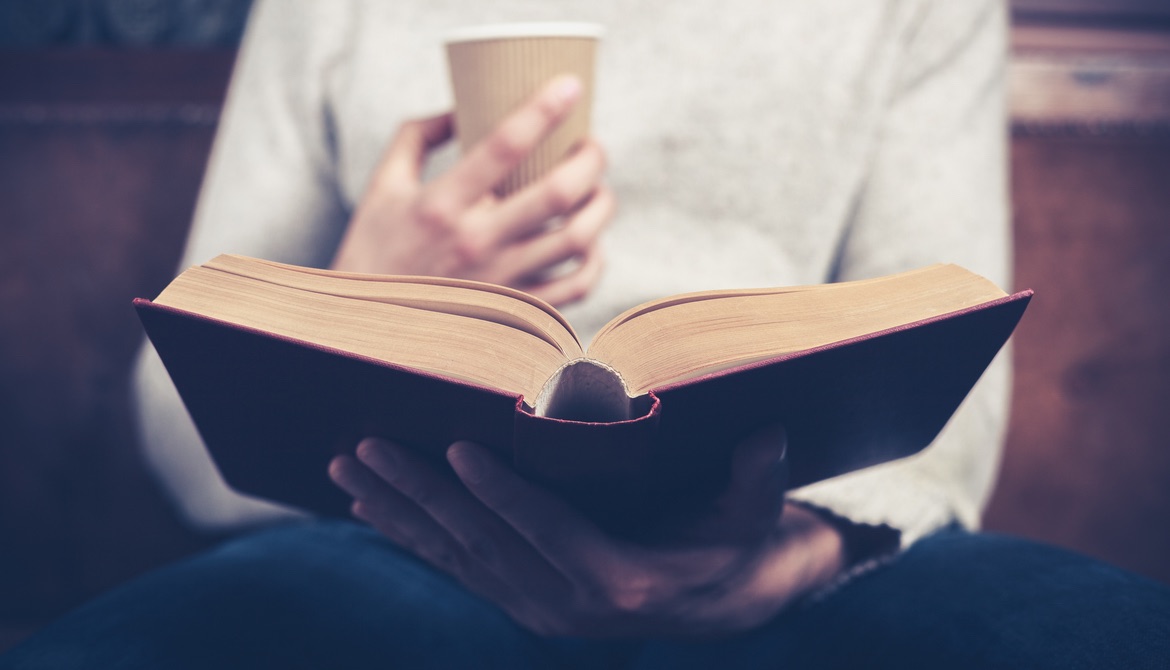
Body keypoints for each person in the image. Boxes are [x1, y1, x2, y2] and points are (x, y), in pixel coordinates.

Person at [4, 0, 1168, 667]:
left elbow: (949, 421)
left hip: (794, 555)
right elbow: (177, 430)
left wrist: (780, 567)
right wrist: (371, 287)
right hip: (404, 535)